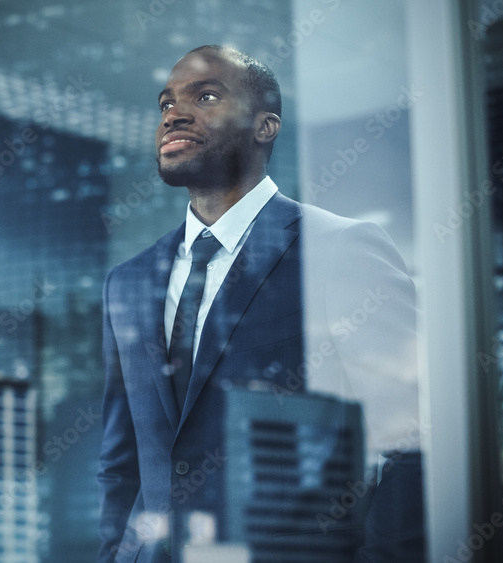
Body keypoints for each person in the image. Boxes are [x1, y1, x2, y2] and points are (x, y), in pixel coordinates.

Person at [97, 45, 424, 562]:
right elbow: (122, 462)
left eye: (205, 96)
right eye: (165, 104)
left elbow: (414, 441)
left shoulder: (337, 248)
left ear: (264, 126)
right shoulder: (128, 281)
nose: (174, 114)